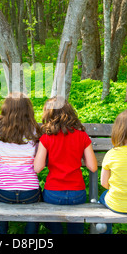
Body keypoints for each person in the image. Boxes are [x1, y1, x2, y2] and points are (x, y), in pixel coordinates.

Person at [34, 96, 97, 234]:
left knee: (54, 229)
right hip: (77, 193)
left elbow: (37, 168)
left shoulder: (46, 138)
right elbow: (92, 167)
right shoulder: (82, 136)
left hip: (53, 194)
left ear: (48, 115)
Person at [0, 93, 42, 234]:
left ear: (6, 109)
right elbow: (37, 154)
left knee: (1, 213)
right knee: (34, 214)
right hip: (30, 192)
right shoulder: (34, 130)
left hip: (4, 193)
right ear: (28, 110)